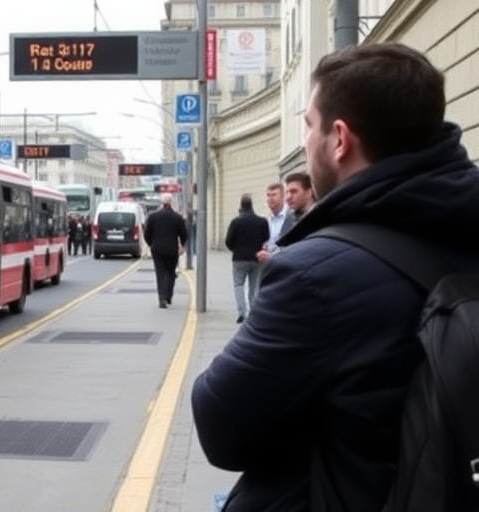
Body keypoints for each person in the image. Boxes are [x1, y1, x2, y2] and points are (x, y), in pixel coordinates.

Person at [191, 43, 479, 511]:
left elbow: (219, 427)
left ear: (339, 138)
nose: (306, 142)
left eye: (308, 125)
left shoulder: (314, 275)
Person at [224, 194, 269, 324]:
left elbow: (228, 241)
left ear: (241, 206)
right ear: (252, 205)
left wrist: (235, 249)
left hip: (239, 258)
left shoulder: (236, 222)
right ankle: (253, 313)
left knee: (238, 284)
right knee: (254, 287)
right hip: (256, 259)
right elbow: (266, 238)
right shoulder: (262, 221)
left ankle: (241, 312)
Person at [143, 193, 187, 308]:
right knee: (171, 272)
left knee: (160, 273)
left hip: (157, 249)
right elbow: (184, 234)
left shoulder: (153, 217)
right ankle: (168, 295)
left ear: (162, 203)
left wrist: (151, 244)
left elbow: (147, 233)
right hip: (172, 249)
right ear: (171, 202)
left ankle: (162, 298)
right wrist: (182, 246)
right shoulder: (177, 217)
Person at [254, 182, 288, 264]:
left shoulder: (291, 216)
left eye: (274, 195)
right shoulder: (267, 219)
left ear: (283, 197)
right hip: (270, 266)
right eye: (268, 195)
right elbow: (267, 243)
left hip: (286, 265)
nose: (270, 198)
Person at [279, 171, 316, 236]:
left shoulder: (321, 216)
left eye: (293, 191)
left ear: (309, 192)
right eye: (287, 192)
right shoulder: (289, 218)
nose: (288, 197)